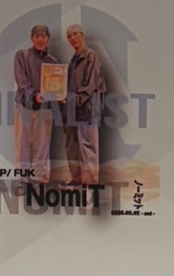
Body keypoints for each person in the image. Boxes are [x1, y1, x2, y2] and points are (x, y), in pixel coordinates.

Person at [13, 24, 59, 184]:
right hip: (24, 106)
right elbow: (21, 79)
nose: (40, 39)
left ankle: (39, 179)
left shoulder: (53, 62)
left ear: (48, 39)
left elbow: (56, 86)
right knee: (22, 144)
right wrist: (34, 95)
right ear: (31, 38)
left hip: (45, 109)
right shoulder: (22, 55)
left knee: (42, 145)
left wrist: (59, 95)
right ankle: (21, 179)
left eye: (43, 36)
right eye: (37, 36)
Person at [64, 26, 105, 186]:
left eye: (75, 34)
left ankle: (91, 184)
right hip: (72, 109)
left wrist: (75, 100)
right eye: (69, 36)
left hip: (87, 109)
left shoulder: (90, 56)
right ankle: (76, 179)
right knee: (73, 147)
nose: (73, 38)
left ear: (82, 35)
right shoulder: (72, 61)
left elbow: (91, 84)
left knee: (88, 148)